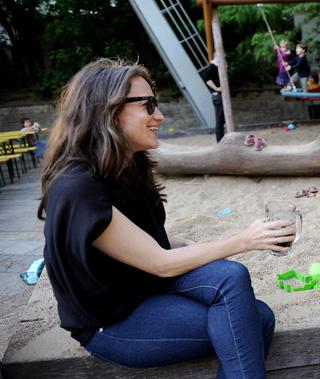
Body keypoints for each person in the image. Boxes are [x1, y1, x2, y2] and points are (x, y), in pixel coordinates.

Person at [38, 58, 298, 376]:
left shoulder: (128, 163)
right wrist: (245, 239)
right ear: (110, 110)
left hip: (143, 287)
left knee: (233, 278)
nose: (159, 115)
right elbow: (159, 262)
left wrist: (183, 245)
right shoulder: (78, 187)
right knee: (254, 318)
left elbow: (134, 241)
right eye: (148, 105)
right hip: (111, 321)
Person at [202, 53, 225, 143]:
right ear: (216, 57)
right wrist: (216, 88)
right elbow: (205, 77)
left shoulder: (218, 66)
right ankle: (220, 141)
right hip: (217, 96)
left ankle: (221, 140)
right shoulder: (213, 66)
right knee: (220, 120)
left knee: (222, 120)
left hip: (219, 96)